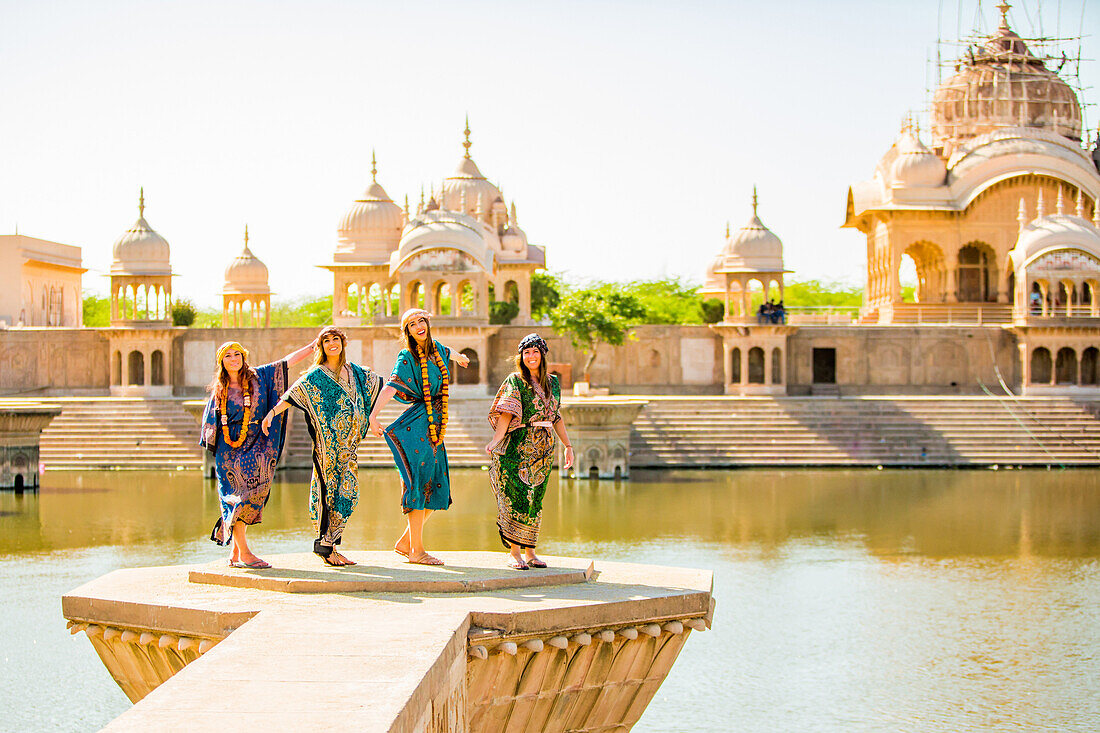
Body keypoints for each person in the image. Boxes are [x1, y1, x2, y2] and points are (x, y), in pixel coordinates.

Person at [261, 326, 382, 567]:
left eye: (335, 339)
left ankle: (331, 544)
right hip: (328, 450)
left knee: (349, 494)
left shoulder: (357, 373)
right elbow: (292, 394)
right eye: (326, 341)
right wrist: (271, 414)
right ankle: (326, 547)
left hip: (349, 450)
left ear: (343, 343)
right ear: (322, 346)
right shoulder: (316, 375)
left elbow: (383, 386)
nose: (332, 344)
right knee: (329, 495)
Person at [368, 308, 469, 566]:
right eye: (412, 324)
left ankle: (405, 542)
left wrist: (461, 358)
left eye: (421, 321)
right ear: (408, 331)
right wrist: (373, 415)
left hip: (436, 426)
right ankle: (417, 551)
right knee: (418, 484)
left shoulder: (438, 350)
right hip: (418, 426)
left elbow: (451, 353)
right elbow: (391, 386)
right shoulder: (407, 356)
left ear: (427, 323)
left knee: (437, 487)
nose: (418, 326)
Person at [200, 340, 314, 569]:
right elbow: (210, 420)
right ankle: (245, 553)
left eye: (237, 354)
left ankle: (234, 552)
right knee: (236, 499)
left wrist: (312, 346)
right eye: (228, 356)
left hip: (256, 445)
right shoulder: (219, 388)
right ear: (221, 361)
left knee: (253, 494)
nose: (234, 359)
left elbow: (286, 363)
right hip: (228, 452)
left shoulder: (258, 377)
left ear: (243, 356)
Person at [485, 333, 573, 570]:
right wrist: (496, 440)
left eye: (535, 352)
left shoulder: (553, 383)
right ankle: (515, 553)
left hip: (544, 449)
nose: (531, 356)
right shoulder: (515, 380)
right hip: (519, 445)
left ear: (542, 355)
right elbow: (506, 412)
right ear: (521, 357)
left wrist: (568, 446)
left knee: (536, 500)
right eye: (526, 352)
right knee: (517, 497)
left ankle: (531, 552)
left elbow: (556, 417)